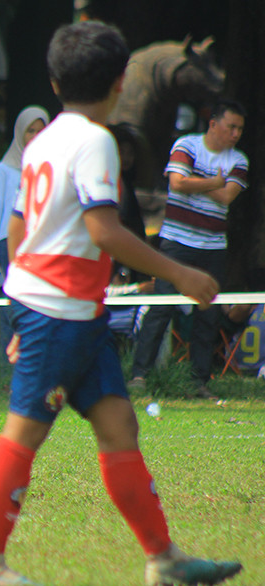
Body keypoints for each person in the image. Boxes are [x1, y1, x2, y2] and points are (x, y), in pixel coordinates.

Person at [0, 21, 241, 586]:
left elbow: (18, 229)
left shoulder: (45, 142)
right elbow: (104, 230)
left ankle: (164, 560)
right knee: (23, 434)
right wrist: (181, 272)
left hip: (71, 315)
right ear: (119, 81)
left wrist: (21, 307)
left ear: (56, 82)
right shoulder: (94, 142)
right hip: (59, 314)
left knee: (120, 426)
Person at [128, 99, 248, 398]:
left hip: (213, 247)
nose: (235, 134)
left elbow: (227, 197)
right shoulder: (187, 144)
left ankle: (199, 382)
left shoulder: (240, 160)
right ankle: (139, 375)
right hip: (176, 242)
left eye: (240, 129)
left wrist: (200, 182)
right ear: (213, 124)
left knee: (207, 315)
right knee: (161, 307)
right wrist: (214, 181)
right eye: (231, 127)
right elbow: (177, 184)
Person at [0, 105, 49, 361]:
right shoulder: (6, 169)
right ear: (20, 133)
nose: (36, 136)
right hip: (9, 246)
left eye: (41, 131)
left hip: (41, 246)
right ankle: (7, 377)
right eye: (30, 131)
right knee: (11, 312)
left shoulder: (51, 168)